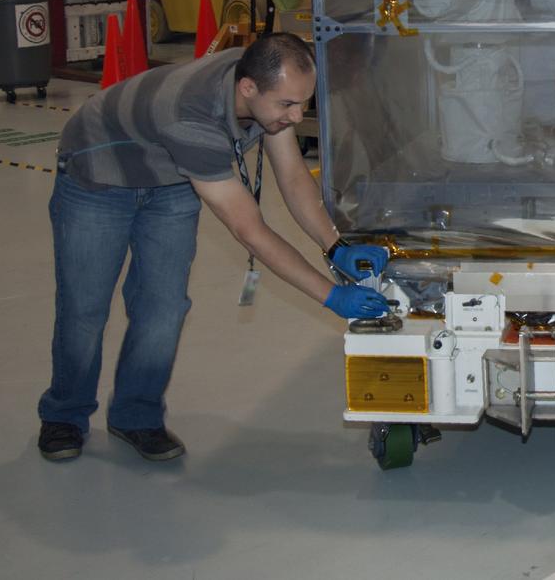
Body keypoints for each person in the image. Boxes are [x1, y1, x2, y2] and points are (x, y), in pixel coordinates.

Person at [37, 33, 391, 463]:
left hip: (171, 178)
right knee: (85, 308)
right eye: (287, 105)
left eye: (304, 103)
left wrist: (335, 246)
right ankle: (65, 414)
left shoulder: (261, 87)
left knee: (164, 306)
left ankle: (135, 415)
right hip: (97, 177)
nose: (297, 115)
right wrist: (331, 295)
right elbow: (251, 231)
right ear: (248, 89)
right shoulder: (191, 118)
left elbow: (293, 177)